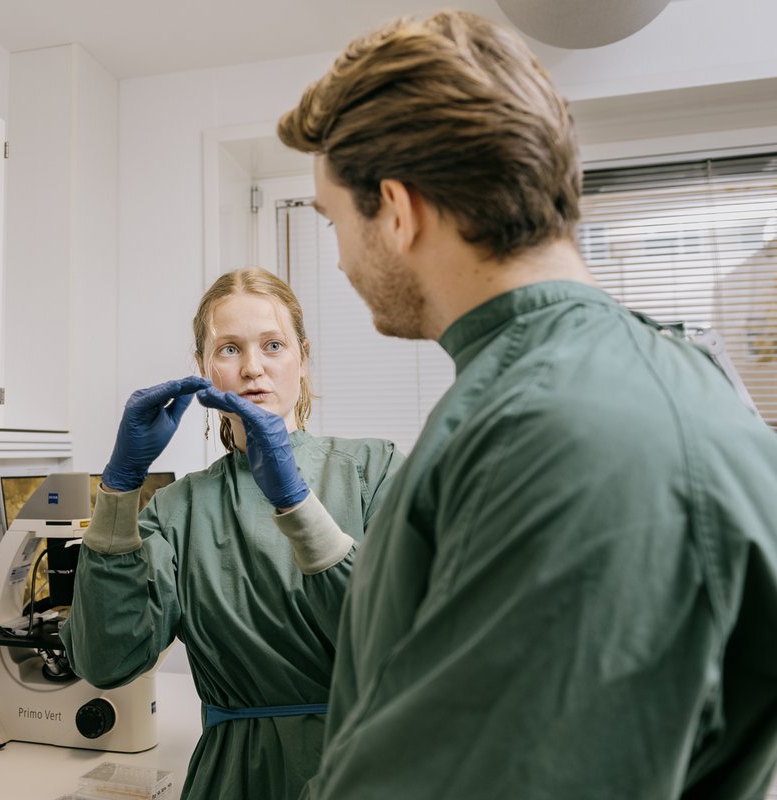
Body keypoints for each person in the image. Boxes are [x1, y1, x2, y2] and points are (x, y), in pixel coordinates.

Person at [275, 10, 777, 800]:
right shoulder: (640, 381)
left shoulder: (558, 433)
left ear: (398, 212)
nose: (337, 258)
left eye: (336, 220)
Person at [59, 268, 403, 799]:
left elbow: (395, 637)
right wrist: (118, 490)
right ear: (202, 369)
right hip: (237, 777)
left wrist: (293, 500)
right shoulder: (176, 509)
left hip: (372, 768)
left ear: (303, 359)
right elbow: (106, 662)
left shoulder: (374, 471)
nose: (253, 368)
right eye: (228, 350)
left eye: (273, 345)